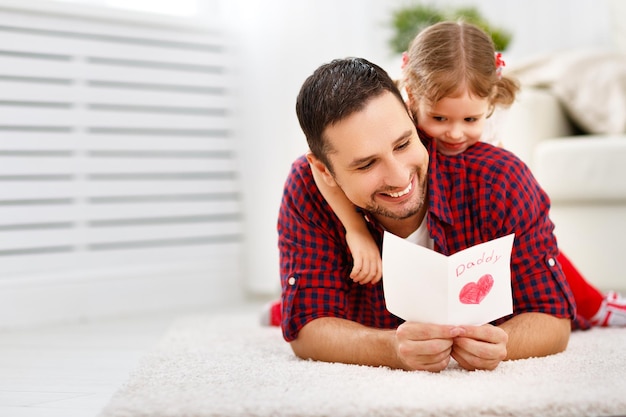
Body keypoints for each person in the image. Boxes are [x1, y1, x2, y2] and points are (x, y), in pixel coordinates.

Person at [264, 21, 626, 329]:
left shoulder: (491, 163)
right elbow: (318, 175)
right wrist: (356, 231)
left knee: (535, 248)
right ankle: (288, 307)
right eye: (439, 119)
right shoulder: (383, 119)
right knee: (325, 290)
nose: (454, 134)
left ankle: (594, 305)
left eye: (470, 120)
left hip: (475, 240)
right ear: (413, 100)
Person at [278, 55, 574, 372]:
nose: (399, 177)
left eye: (404, 144)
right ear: (325, 171)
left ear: (412, 116)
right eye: (367, 164)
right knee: (285, 308)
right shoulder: (307, 188)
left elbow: (554, 320)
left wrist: (503, 343)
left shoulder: (499, 178)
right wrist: (391, 349)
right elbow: (307, 328)